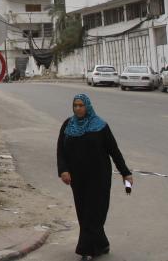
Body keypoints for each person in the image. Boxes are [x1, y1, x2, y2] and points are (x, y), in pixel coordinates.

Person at [56, 93, 132, 260]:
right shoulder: (68, 126)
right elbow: (60, 151)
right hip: (78, 179)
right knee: (84, 212)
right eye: (75, 105)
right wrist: (63, 170)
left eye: (81, 105)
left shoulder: (100, 126)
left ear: (87, 106)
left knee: (95, 213)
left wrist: (125, 172)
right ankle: (101, 243)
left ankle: (86, 250)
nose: (78, 108)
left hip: (99, 178)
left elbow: (114, 151)